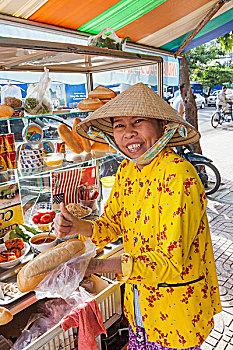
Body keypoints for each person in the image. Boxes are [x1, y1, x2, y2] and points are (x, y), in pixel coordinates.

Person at [54, 83, 222, 350]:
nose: (129, 133)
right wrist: (77, 225)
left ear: (162, 126)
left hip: (175, 310)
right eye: (119, 125)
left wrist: (94, 266)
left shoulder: (179, 176)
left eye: (138, 121)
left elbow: (169, 263)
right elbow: (111, 224)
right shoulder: (127, 171)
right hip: (140, 302)